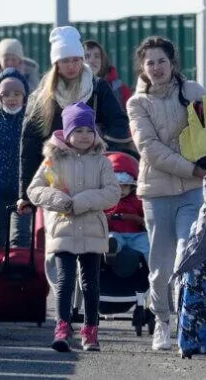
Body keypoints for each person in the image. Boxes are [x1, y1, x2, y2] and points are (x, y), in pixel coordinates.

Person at [127, 36, 206, 351]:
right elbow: (150, 150)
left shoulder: (193, 91)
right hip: (157, 192)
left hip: (193, 190)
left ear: (173, 63)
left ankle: (188, 320)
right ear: (143, 68)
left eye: (162, 61)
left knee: (188, 253)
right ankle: (161, 320)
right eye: (150, 63)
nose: (157, 68)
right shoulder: (137, 103)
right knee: (160, 264)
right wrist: (193, 169)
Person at [27, 101, 120, 352]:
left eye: (88, 130)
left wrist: (81, 202)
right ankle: (63, 327)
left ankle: (90, 330)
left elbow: (113, 192)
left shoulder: (102, 162)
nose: (84, 136)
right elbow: (35, 190)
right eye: (78, 130)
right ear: (67, 132)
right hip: (63, 228)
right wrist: (60, 201)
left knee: (91, 282)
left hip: (91, 228)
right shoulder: (52, 161)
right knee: (65, 280)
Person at [17, 26, 131, 215]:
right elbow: (29, 144)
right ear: (56, 63)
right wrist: (25, 194)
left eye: (76, 60)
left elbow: (118, 124)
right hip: (56, 180)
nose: (71, 66)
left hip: (92, 176)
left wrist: (100, 148)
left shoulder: (97, 88)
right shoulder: (43, 96)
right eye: (65, 61)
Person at [0, 68, 31, 249]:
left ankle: (20, 274)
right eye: (6, 94)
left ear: (25, 96)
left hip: (23, 190)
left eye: (17, 93)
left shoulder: (30, 120)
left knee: (21, 238)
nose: (12, 98)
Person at [104, 152, 148, 261]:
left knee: (147, 243)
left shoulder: (138, 200)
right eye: (117, 187)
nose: (121, 191)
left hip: (136, 234)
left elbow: (146, 216)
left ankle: (154, 270)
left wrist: (143, 221)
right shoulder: (105, 201)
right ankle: (110, 250)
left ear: (132, 187)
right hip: (115, 232)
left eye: (125, 186)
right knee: (112, 238)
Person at [83, 40, 132, 111]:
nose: (91, 60)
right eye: (87, 56)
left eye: (97, 56)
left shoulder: (120, 90)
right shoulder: (71, 87)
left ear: (103, 61)